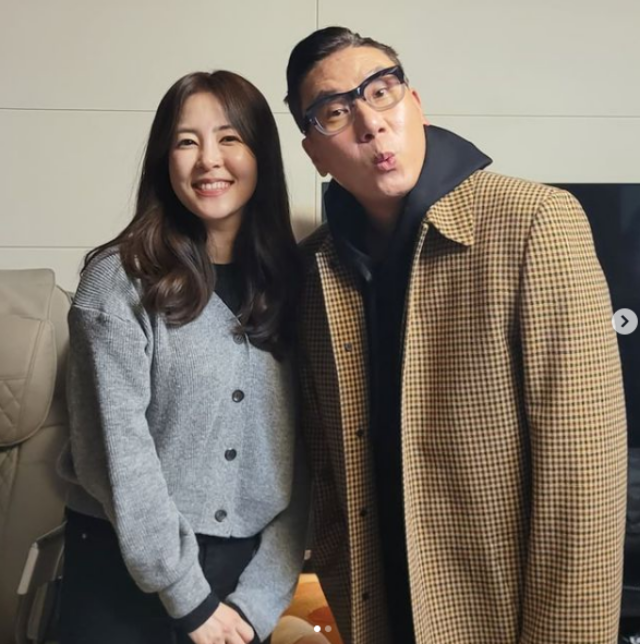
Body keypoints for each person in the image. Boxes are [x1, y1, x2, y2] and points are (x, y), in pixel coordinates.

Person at [285, 26, 627, 644]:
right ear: (315, 152)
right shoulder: (315, 268)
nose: (370, 124)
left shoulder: (535, 222)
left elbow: (582, 479)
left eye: (381, 92)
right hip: (377, 608)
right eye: (335, 112)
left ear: (415, 104)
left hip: (503, 613)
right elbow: (327, 472)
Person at [57, 70, 309, 644]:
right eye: (186, 141)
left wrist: (263, 597)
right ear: (163, 159)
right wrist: (188, 599)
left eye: (229, 138)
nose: (208, 160)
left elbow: (305, 456)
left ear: (262, 155)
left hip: (244, 581)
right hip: (121, 571)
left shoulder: (296, 284)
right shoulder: (116, 282)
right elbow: (114, 454)